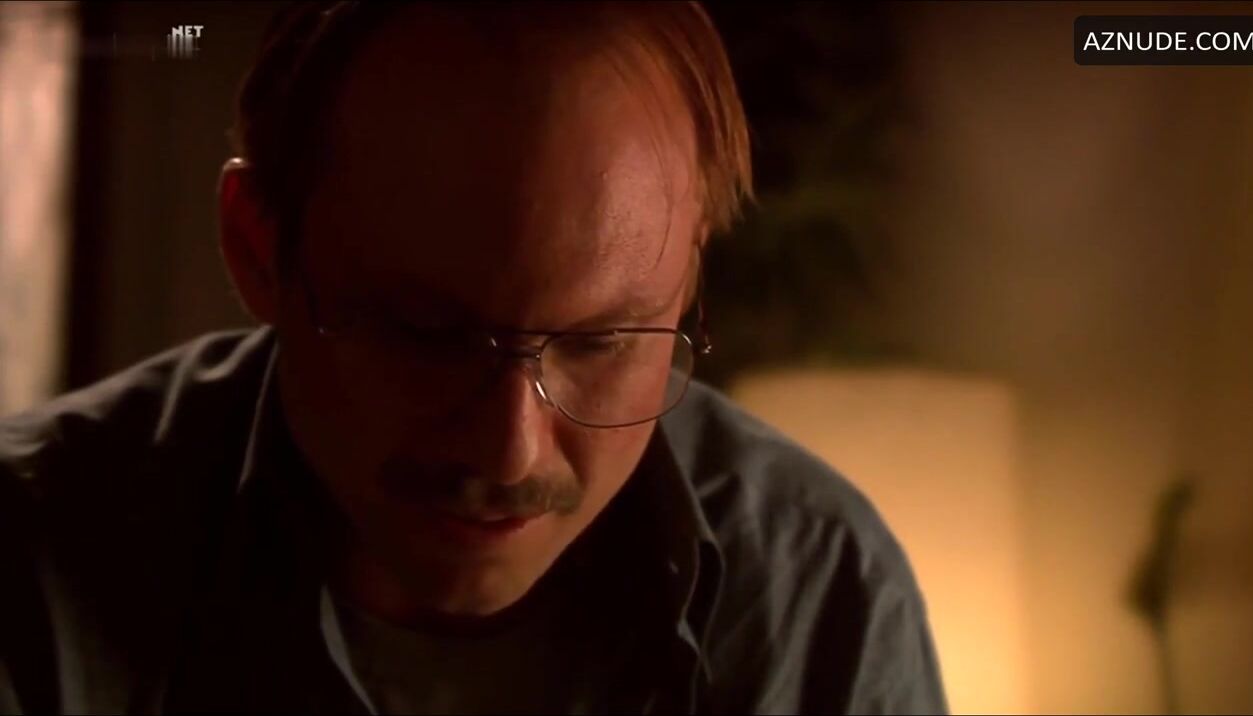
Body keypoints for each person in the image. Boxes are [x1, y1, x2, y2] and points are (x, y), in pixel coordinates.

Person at [0, 2, 947, 713]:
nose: (509, 451)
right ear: (258, 249)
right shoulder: (29, 562)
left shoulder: (818, 595)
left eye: (601, 341)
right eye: (427, 335)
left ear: (690, 271)